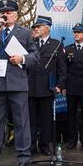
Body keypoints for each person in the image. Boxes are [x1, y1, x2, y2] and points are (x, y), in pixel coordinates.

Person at [0, 0, 39, 166]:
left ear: (16, 15)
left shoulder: (25, 33)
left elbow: (35, 56)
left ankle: (23, 159)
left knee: (21, 122)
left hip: (18, 84)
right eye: (3, 13)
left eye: (10, 13)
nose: (6, 15)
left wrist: (22, 59)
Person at [28, 15, 66, 156]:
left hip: (47, 88)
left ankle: (45, 146)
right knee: (31, 120)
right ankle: (31, 146)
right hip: (30, 88)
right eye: (35, 27)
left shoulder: (56, 44)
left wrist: (59, 85)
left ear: (47, 28)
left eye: (39, 26)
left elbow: (62, 69)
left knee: (46, 120)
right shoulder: (30, 44)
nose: (36, 29)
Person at [65, 23, 83, 150]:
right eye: (75, 32)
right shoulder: (68, 49)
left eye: (79, 32)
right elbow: (64, 69)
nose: (76, 34)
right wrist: (64, 86)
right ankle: (72, 140)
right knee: (71, 115)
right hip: (71, 87)